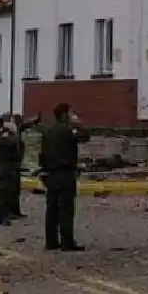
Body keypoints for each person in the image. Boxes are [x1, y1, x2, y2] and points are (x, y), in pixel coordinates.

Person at [38, 103, 90, 251]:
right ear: (64, 115)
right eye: (70, 113)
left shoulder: (48, 131)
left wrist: (44, 170)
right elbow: (85, 137)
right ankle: (67, 242)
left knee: (52, 210)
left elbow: (42, 153)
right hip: (65, 174)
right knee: (66, 209)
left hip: (51, 174)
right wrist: (79, 124)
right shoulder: (68, 131)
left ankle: (51, 241)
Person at [0, 112, 39, 225]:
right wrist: (16, 132)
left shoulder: (12, 131)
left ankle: (14, 212)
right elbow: (10, 141)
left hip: (14, 166)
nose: (14, 123)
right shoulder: (1, 133)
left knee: (14, 191)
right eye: (12, 121)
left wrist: (33, 121)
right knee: (5, 193)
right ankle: (1, 216)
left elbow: (23, 126)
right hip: (5, 167)